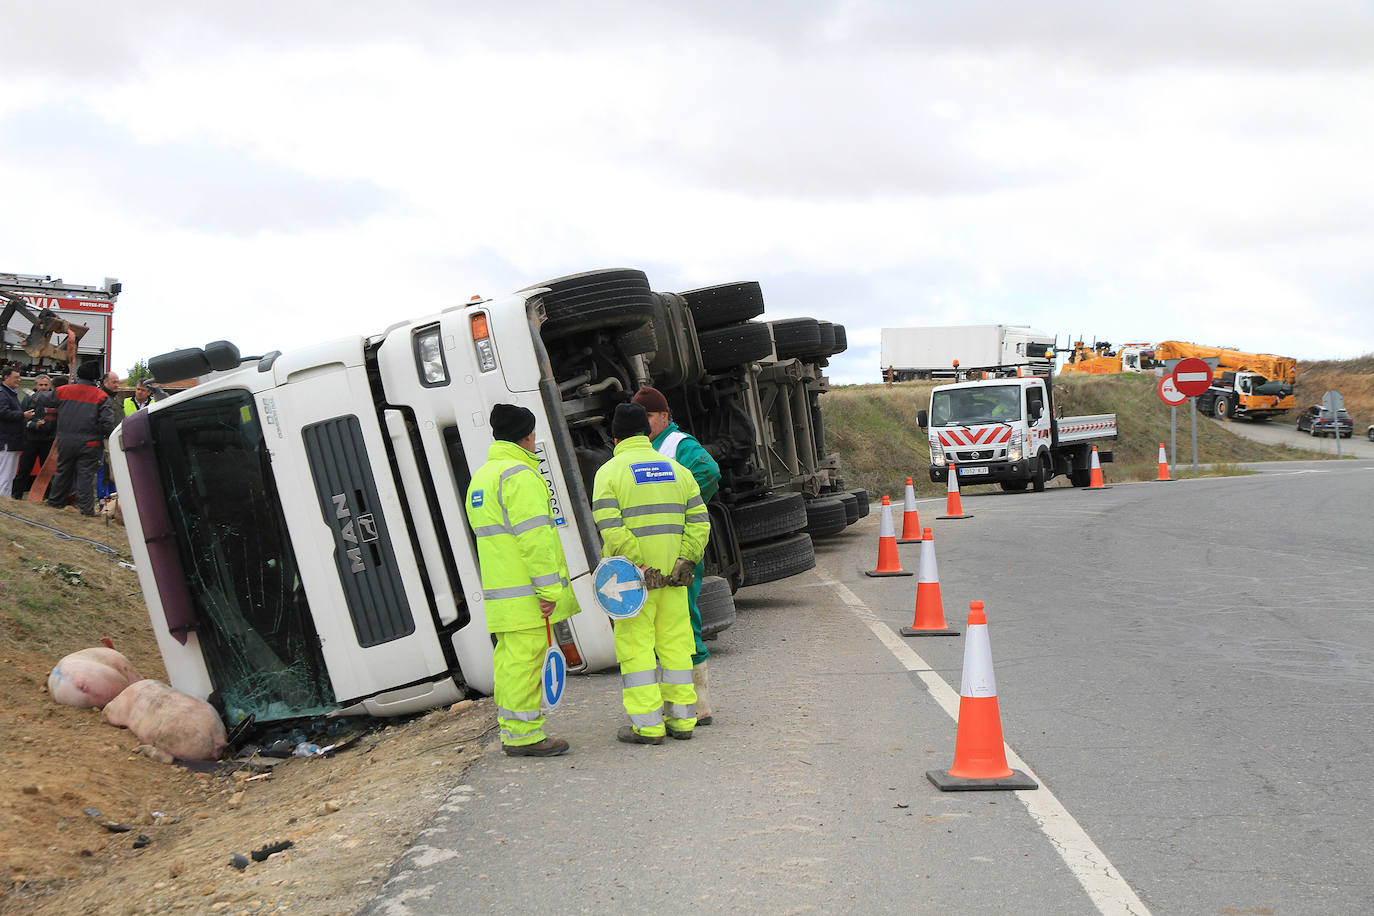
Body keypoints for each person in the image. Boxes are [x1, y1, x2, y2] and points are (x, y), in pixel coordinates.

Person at [465, 403, 580, 758]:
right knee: (524, 664)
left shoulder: (483, 476)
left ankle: (514, 728)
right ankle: (524, 736)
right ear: (528, 436)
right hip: (528, 595)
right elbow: (536, 540)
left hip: (503, 594)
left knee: (510, 662)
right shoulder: (520, 476)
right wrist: (548, 590)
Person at [592, 402, 710, 745]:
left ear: (615, 437)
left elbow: (610, 527)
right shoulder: (678, 471)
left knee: (637, 650)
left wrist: (641, 565)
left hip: (633, 582)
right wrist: (685, 560)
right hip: (675, 580)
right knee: (676, 646)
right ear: (647, 433)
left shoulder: (609, 473)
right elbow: (700, 521)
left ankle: (648, 727)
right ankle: (683, 722)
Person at [631, 386, 722, 725]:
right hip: (659, 553)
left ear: (664, 417)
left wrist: (684, 509)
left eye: (649, 417)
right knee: (666, 627)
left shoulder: (677, 445)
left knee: (685, 620)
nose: (644, 423)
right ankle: (678, 702)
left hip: (680, 550)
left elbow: (709, 472)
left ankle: (699, 704)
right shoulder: (650, 447)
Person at [38, 360, 118, 516]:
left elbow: (42, 399)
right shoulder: (101, 396)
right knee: (85, 475)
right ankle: (87, 510)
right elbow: (107, 423)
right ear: (95, 378)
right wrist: (108, 437)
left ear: (79, 375)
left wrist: (34, 394)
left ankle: (54, 503)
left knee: (63, 472)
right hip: (90, 443)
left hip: (65, 441)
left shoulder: (63, 390)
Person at [13, 374, 55, 499]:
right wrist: (34, 424)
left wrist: (48, 424)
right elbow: (22, 418)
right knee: (24, 469)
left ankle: (48, 497)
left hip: (48, 440)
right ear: (36, 386)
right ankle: (16, 496)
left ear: (50, 386)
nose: (43, 387)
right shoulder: (27, 399)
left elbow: (59, 418)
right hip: (30, 440)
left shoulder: (54, 399)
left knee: (47, 471)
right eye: (40, 385)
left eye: (46, 385)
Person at [0, 367, 23, 496]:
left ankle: (5, 504)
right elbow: (3, 413)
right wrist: (22, 415)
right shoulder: (3, 394)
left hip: (12, 440)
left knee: (10, 475)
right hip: (7, 440)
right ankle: (3, 507)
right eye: (16, 377)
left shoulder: (9, 393)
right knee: (5, 475)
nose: (18, 380)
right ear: (6, 377)